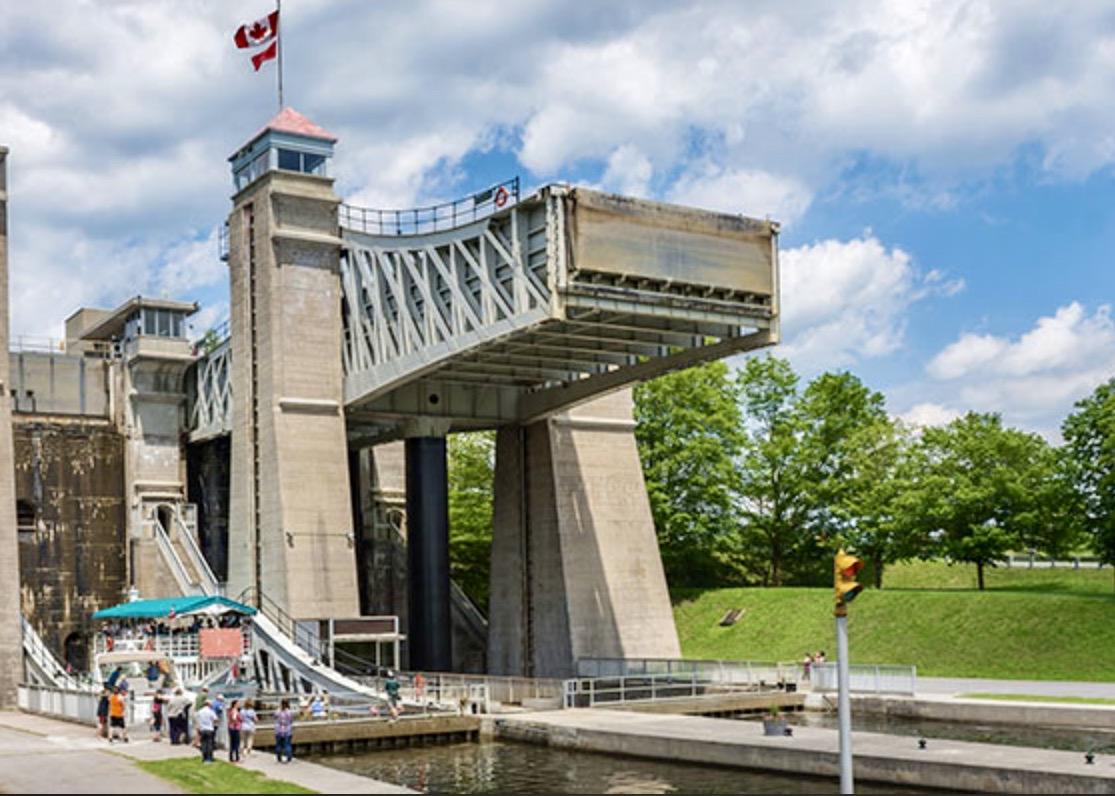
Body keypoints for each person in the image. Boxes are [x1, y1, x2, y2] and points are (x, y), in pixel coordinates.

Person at [196, 700, 217, 764]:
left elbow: (197, 719)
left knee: (204, 744)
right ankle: (209, 758)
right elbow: (215, 719)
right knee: (209, 744)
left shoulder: (200, 711)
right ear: (209, 705)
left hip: (202, 729)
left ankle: (204, 757)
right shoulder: (211, 711)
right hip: (209, 729)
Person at [274, 698, 294, 764]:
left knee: (278, 745)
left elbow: (275, 717)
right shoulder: (289, 712)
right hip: (287, 730)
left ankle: (279, 758)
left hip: (278, 730)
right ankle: (288, 758)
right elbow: (291, 720)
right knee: (287, 745)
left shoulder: (278, 711)